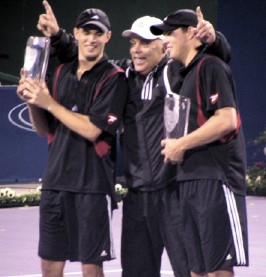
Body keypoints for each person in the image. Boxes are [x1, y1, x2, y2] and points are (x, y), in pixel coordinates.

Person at [36, 2, 232, 276]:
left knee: (190, 270)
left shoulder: (177, 73)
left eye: (145, 42)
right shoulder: (124, 75)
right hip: (138, 198)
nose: (137, 49)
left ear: (163, 46)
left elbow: (213, 58)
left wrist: (214, 39)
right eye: (133, 43)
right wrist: (59, 36)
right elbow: (87, 54)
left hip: (173, 192)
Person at [17, 7, 128, 277]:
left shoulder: (114, 79)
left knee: (91, 268)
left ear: (108, 37)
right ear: (76, 34)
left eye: (98, 34)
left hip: (92, 187)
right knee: (50, 267)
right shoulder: (60, 73)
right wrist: (33, 102)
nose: (91, 39)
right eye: (86, 32)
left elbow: (92, 130)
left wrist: (50, 103)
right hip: (55, 184)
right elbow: (44, 129)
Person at [150, 9, 249, 277]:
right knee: (198, 270)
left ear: (191, 33)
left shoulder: (211, 66)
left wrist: (180, 144)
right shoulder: (180, 76)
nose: (165, 40)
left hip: (217, 180)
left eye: (171, 33)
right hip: (188, 180)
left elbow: (227, 120)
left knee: (218, 271)